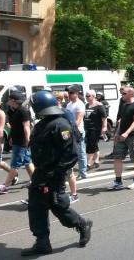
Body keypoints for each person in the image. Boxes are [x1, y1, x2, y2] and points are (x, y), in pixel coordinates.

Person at [21, 91, 92, 256]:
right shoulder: (42, 123)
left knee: (58, 205)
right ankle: (42, 243)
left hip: (54, 174)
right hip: (41, 172)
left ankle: (82, 224)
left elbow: (71, 154)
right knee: (36, 207)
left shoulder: (62, 125)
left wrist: (55, 173)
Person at [0, 90, 34, 194]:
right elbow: (14, 126)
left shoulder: (23, 111)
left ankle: (5, 185)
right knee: (27, 162)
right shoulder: (13, 110)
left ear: (13, 100)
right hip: (16, 140)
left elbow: (27, 127)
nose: (7, 101)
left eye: (9, 99)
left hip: (22, 142)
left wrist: (27, 140)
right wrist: (11, 137)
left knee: (15, 164)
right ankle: (35, 181)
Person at [108, 87, 134, 190]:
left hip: (133, 136)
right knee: (117, 157)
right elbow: (121, 121)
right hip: (121, 136)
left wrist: (127, 133)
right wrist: (117, 134)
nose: (121, 95)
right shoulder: (123, 105)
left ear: (131, 94)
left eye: (123, 93)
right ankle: (118, 182)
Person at [66, 85, 87, 179]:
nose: (69, 94)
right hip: (69, 130)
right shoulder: (69, 104)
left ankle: (83, 173)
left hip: (78, 131)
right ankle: (70, 173)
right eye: (68, 93)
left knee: (80, 152)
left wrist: (71, 130)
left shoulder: (80, 104)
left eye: (71, 93)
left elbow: (78, 120)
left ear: (77, 93)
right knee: (70, 152)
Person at [83, 90, 107, 170]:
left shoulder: (99, 105)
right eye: (86, 96)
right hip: (87, 128)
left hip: (95, 129)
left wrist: (104, 127)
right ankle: (96, 161)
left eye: (88, 96)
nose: (86, 97)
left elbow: (104, 118)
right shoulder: (86, 105)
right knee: (94, 145)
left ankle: (89, 164)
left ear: (93, 96)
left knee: (91, 145)